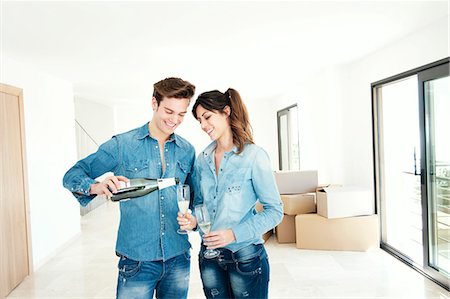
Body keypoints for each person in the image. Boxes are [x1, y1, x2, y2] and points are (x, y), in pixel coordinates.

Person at [63, 77, 196, 299]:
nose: (174, 120)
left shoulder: (187, 150)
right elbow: (72, 175)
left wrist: (194, 221)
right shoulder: (123, 145)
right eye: (169, 111)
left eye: (181, 114)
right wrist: (97, 186)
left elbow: (194, 197)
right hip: (137, 260)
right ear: (154, 103)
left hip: (178, 257)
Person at [178, 88, 283, 299]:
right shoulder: (202, 159)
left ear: (226, 112)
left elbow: (275, 212)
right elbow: (201, 207)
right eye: (199, 120)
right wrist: (195, 223)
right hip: (209, 259)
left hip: (246, 257)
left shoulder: (254, 156)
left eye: (207, 117)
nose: (203, 126)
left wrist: (233, 234)